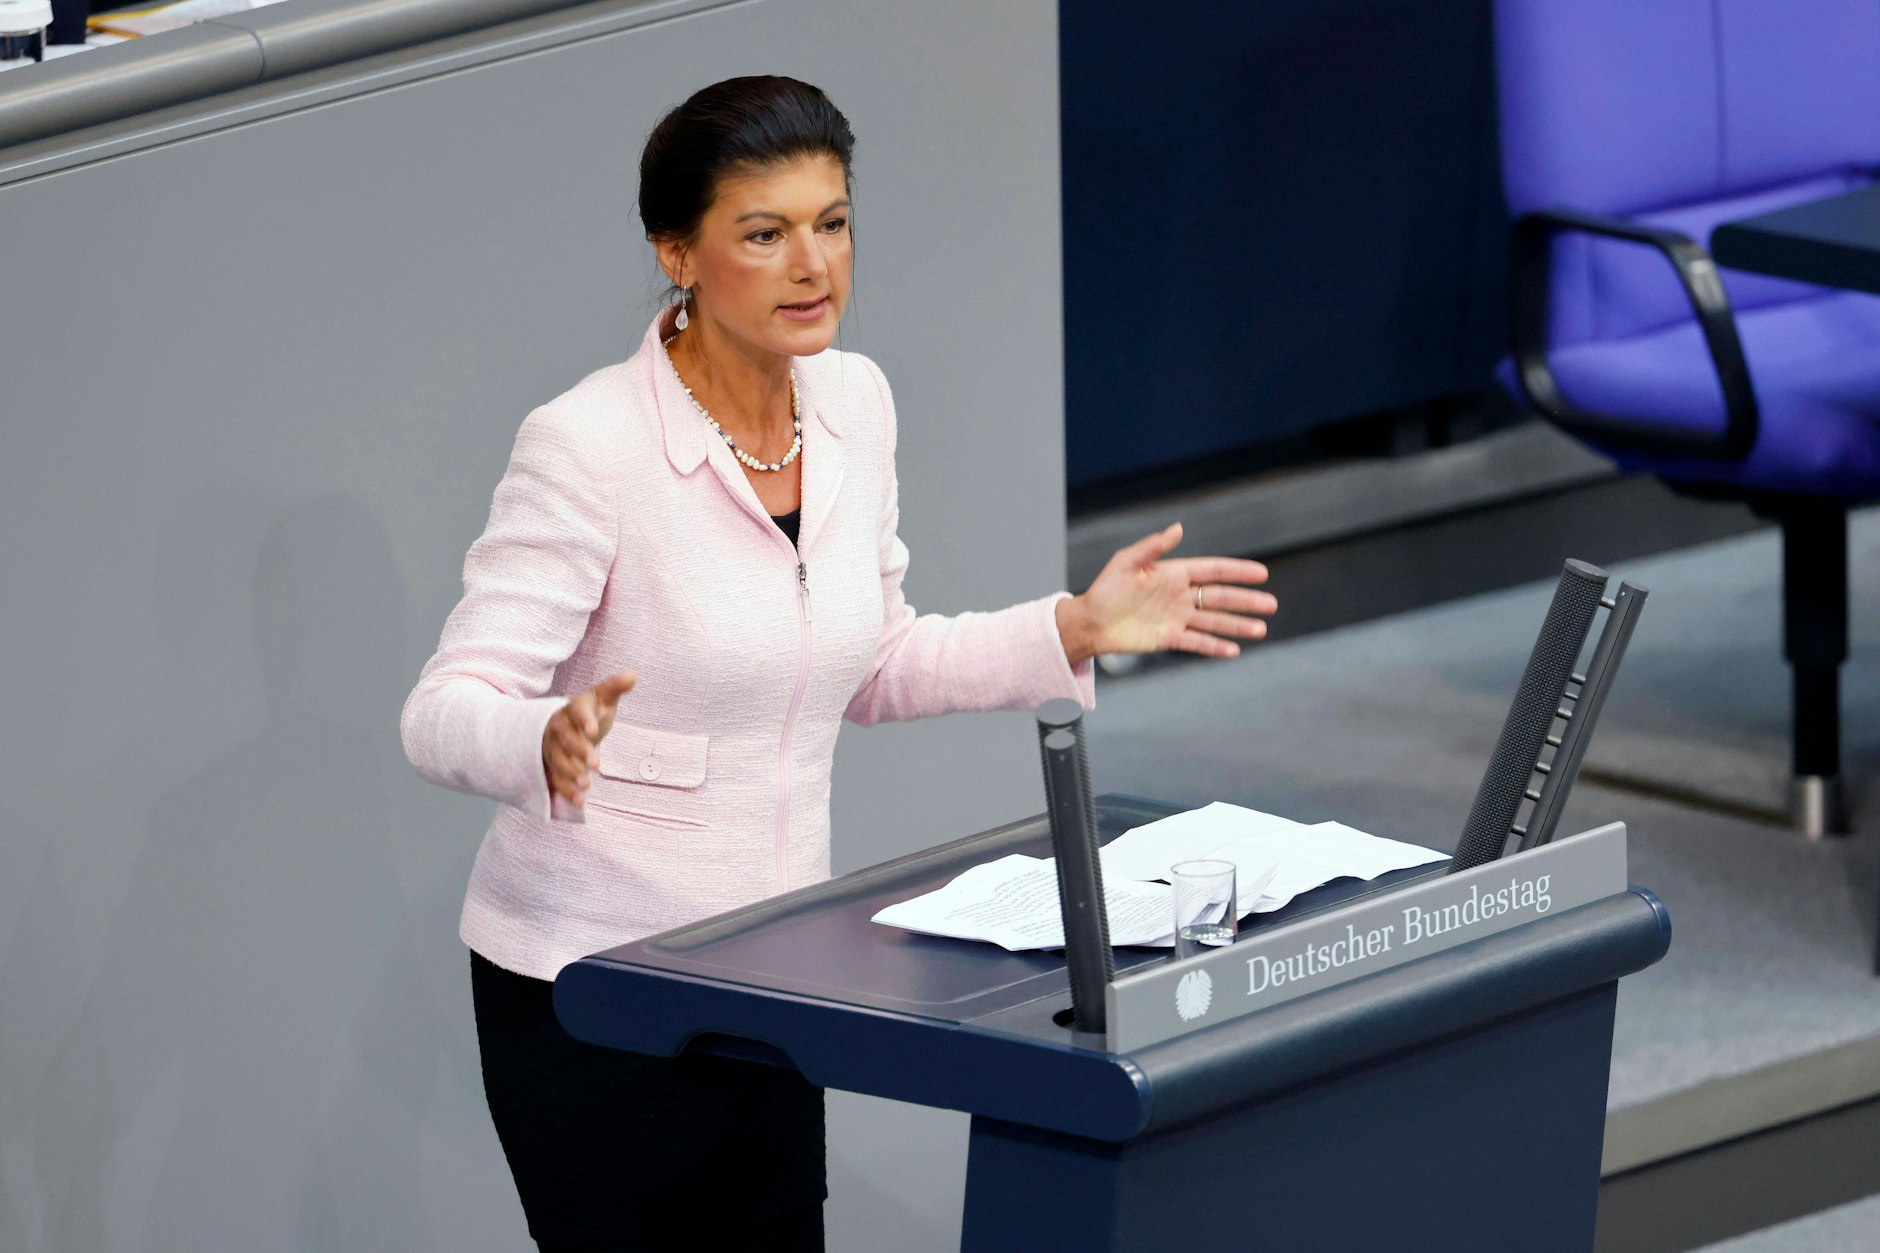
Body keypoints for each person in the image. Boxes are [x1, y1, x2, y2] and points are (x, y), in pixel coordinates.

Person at [400, 75, 1277, 1253]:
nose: (811, 264)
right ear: (678, 252)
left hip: (769, 972)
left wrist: (1069, 627)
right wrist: (540, 735)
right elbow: (444, 708)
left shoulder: (854, 403)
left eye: (832, 221)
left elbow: (874, 658)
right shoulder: (589, 445)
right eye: (764, 233)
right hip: (594, 989)